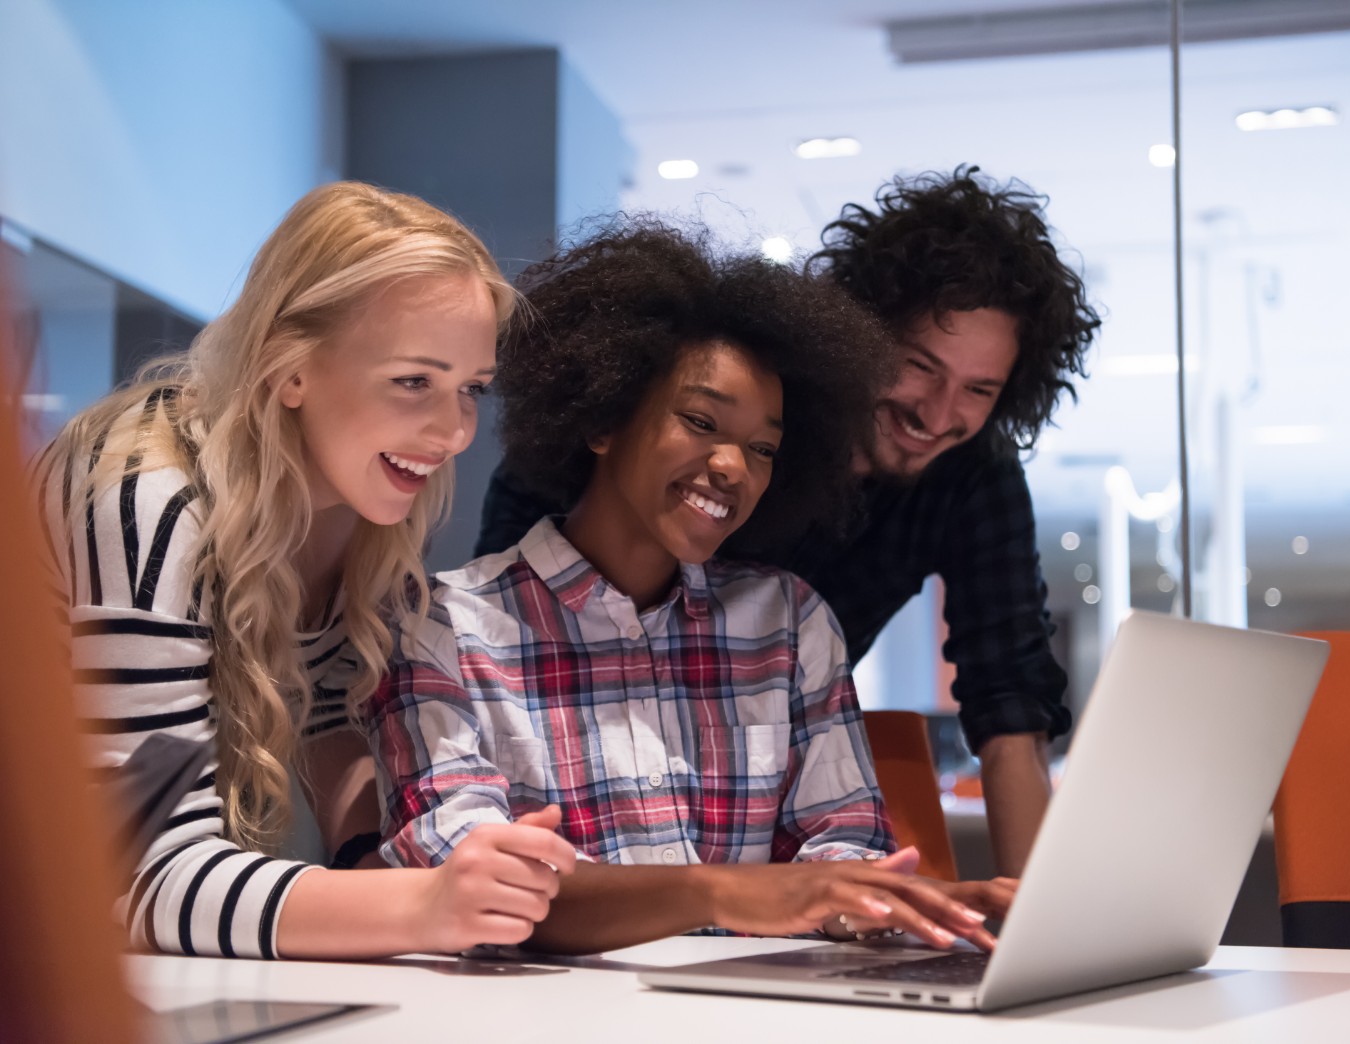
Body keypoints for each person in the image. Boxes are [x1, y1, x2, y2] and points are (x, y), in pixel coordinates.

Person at [370, 222, 1015, 954]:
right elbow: (472, 890)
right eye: (702, 421)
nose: (735, 467)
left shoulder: (788, 621)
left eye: (764, 447)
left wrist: (884, 900)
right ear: (606, 416)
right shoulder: (443, 628)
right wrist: (724, 888)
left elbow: (841, 845)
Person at [477, 168, 1102, 876]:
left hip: (772, 797)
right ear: (856, 338)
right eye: (919, 367)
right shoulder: (749, 416)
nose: (936, 413)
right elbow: (506, 645)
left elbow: (1009, 699)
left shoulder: (829, 597)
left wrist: (1033, 921)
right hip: (584, 775)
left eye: (978, 390)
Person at [36, 182, 577, 960]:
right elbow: (137, 870)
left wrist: (375, 863)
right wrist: (421, 902)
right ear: (290, 369)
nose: (454, 433)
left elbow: (327, 719)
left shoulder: (356, 496)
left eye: (471, 391)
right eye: (413, 381)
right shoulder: (143, 500)